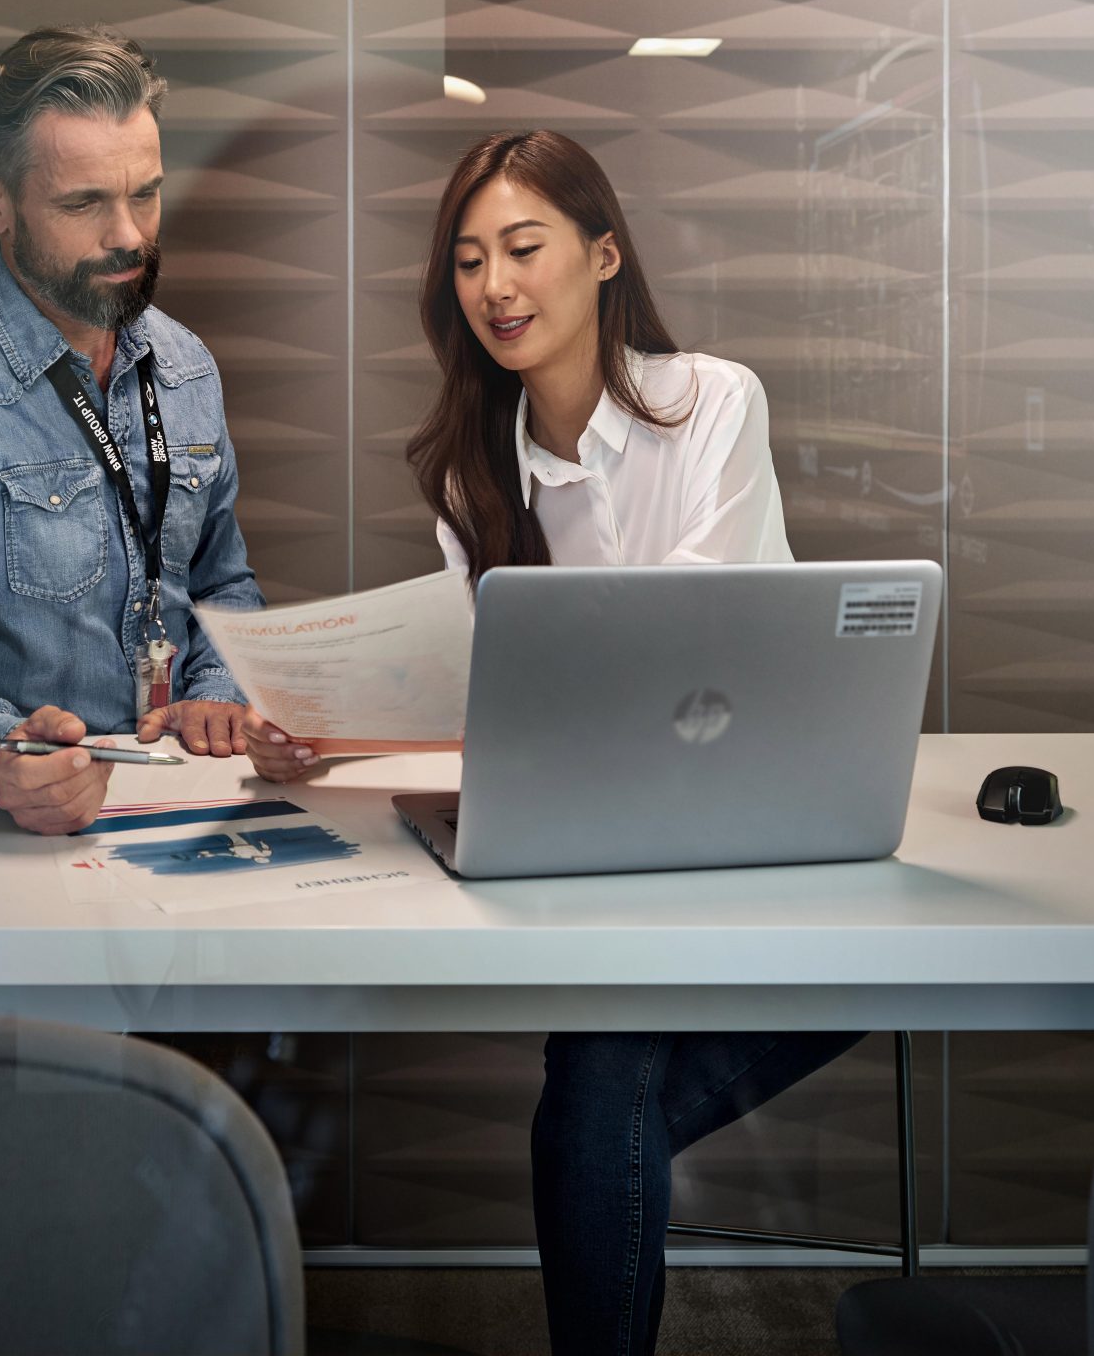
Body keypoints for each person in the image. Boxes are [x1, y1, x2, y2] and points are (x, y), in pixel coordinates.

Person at [252, 128, 859, 1356]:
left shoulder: (710, 402)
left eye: (523, 249)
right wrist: (339, 734)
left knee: (596, 1085)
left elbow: (687, 666)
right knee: (599, 1077)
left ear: (603, 255)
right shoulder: (471, 476)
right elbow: (488, 708)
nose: (496, 286)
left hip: (769, 850)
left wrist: (523, 721)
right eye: (470, 261)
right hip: (600, 868)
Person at [0, 25, 305, 834]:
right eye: (84, 202)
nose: (127, 235)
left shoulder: (185, 365)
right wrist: (4, 754)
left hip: (187, 803)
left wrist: (217, 694)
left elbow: (221, 585)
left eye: (144, 194)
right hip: (6, 826)